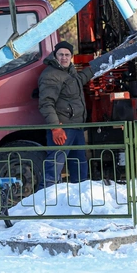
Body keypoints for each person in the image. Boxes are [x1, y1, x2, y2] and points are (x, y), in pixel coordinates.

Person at [37, 41, 93, 190]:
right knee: (55, 163)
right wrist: (55, 127)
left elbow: (79, 80)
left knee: (79, 164)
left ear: (71, 57)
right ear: (55, 55)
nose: (64, 57)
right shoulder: (50, 75)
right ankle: (46, 197)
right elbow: (46, 103)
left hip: (76, 126)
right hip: (63, 127)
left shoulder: (70, 72)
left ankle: (80, 196)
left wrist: (96, 66)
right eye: (61, 54)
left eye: (67, 55)